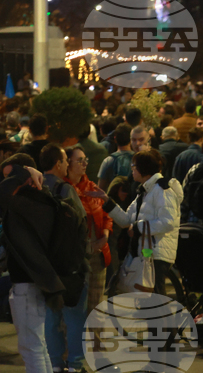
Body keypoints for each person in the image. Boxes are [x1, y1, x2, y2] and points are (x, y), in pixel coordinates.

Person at [0, 155, 66, 373]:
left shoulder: (28, 202)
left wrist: (22, 174)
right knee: (38, 347)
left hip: (28, 283)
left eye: (10, 177)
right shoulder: (42, 199)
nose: (8, 183)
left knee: (31, 348)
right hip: (37, 281)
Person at [90, 149, 183, 295]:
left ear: (143, 169)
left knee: (155, 301)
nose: (131, 170)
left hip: (157, 254)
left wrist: (138, 228)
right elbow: (127, 220)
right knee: (147, 299)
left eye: (134, 167)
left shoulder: (161, 190)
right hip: (145, 253)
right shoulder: (145, 190)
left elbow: (168, 222)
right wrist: (107, 201)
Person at [38, 144, 88, 373]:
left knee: (51, 316)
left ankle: (55, 364)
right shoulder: (65, 190)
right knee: (75, 315)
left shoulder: (34, 188)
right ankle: (76, 364)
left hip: (44, 265)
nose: (68, 164)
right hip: (70, 265)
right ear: (58, 164)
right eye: (65, 161)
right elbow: (81, 222)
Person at [66, 146, 112, 314]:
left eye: (86, 159)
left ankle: (96, 341)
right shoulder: (64, 189)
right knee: (76, 309)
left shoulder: (92, 187)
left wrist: (105, 237)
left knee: (97, 308)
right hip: (77, 256)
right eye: (80, 160)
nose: (85, 163)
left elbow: (107, 215)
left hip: (98, 253)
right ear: (67, 163)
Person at [97, 124, 134, 192]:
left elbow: (100, 188)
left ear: (115, 139)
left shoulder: (108, 161)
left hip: (112, 200)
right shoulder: (137, 159)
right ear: (131, 140)